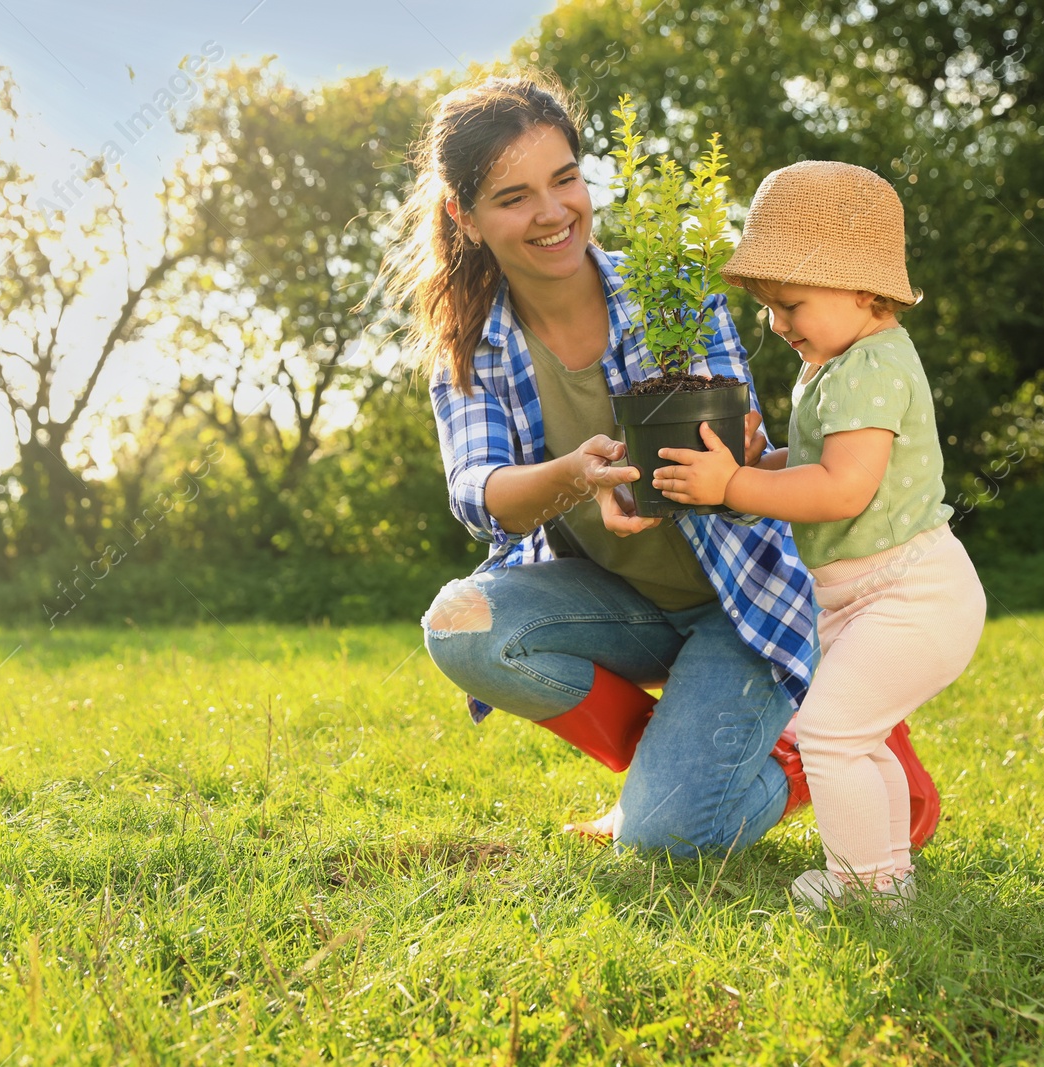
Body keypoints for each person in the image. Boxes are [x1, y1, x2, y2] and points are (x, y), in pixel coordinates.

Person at [375, 73, 940, 857]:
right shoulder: (473, 351)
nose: (552, 212)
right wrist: (577, 473)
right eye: (514, 197)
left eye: (565, 179)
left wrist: (735, 456)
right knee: (460, 623)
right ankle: (681, 764)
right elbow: (480, 495)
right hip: (623, 604)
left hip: (739, 603)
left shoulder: (670, 299)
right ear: (462, 215)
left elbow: (751, 470)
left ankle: (793, 751)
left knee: (663, 844)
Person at [650, 160, 986, 902]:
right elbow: (811, 464)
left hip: (910, 594)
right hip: (868, 596)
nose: (776, 323)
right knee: (854, 735)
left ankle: (865, 889)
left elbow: (842, 488)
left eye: (791, 302)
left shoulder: (871, 368)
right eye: (769, 305)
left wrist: (735, 485)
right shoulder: (839, 361)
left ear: (863, 289)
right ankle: (887, 878)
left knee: (831, 734)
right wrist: (755, 460)